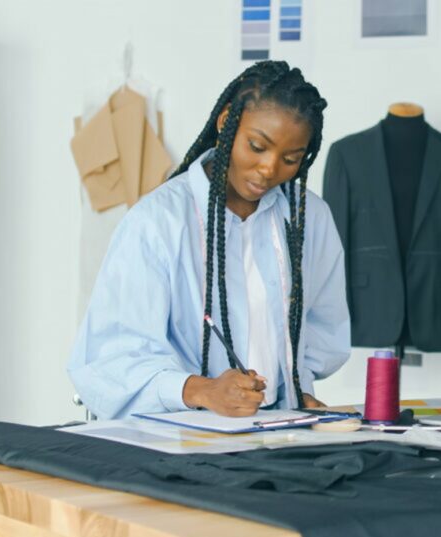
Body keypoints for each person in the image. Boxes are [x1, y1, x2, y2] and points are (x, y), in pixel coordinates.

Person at [68, 61, 350, 419]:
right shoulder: (157, 222)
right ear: (225, 122)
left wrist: (298, 388)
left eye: (291, 159)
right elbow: (109, 358)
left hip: (278, 433)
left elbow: (324, 329)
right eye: (257, 146)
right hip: (176, 441)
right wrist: (205, 391)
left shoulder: (310, 219)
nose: (269, 169)